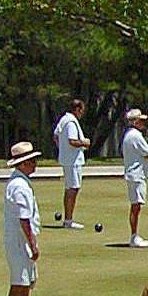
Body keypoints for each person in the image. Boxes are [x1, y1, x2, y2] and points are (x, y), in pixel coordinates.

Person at [2, 141, 45, 296]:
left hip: (22, 241)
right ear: (22, 164)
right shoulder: (19, 186)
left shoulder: (21, 182)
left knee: (26, 283)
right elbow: (23, 219)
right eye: (32, 161)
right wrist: (32, 244)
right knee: (18, 283)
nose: (35, 164)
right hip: (19, 242)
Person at [120, 108, 148, 247]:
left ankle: (134, 235)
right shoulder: (135, 135)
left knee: (136, 205)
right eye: (141, 121)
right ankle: (134, 236)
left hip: (134, 173)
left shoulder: (128, 135)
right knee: (136, 206)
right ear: (135, 121)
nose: (143, 123)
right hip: (136, 174)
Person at [54, 97, 90, 229]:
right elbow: (72, 141)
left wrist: (61, 149)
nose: (82, 113)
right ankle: (68, 220)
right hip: (73, 161)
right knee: (73, 189)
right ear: (77, 109)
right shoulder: (70, 122)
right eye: (81, 110)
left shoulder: (63, 119)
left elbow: (56, 136)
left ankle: (68, 219)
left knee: (70, 188)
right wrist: (84, 143)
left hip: (68, 159)